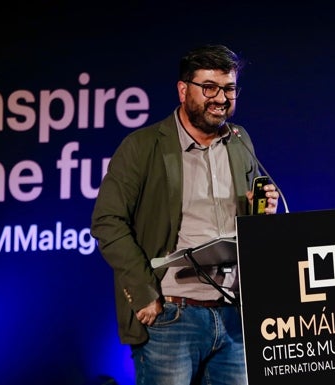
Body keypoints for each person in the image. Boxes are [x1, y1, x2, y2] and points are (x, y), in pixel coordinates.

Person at [90, 44, 280, 385]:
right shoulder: (143, 146)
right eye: (209, 87)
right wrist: (143, 292)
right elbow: (108, 221)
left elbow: (243, 227)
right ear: (183, 90)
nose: (221, 98)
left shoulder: (239, 140)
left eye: (229, 88)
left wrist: (261, 212)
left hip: (234, 314)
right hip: (173, 316)